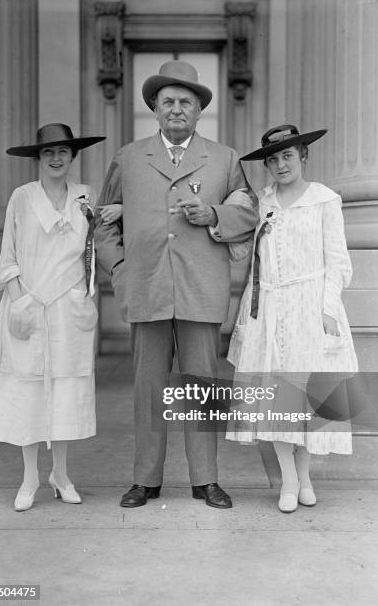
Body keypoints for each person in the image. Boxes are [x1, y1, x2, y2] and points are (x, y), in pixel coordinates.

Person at [95, 60, 257, 509]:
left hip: (200, 288)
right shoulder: (128, 158)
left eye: (186, 101)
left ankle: (205, 479)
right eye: (168, 101)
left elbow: (249, 213)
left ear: (199, 110)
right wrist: (121, 269)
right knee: (148, 387)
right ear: (154, 107)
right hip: (145, 286)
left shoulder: (225, 159)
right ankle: (145, 479)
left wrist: (215, 216)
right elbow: (105, 224)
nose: (177, 109)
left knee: (200, 389)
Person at [0, 123, 105, 511]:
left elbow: (95, 246)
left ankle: (60, 475)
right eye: (48, 153)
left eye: (63, 151)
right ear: (38, 158)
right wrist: (19, 301)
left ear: (73, 156)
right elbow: (8, 255)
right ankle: (29, 478)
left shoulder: (85, 196)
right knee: (27, 392)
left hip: (68, 307)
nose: (56, 158)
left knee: (64, 391)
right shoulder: (22, 197)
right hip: (27, 303)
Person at [226, 124, 358, 512]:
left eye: (287, 155)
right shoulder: (262, 203)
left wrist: (329, 309)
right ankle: (287, 479)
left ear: (303, 156)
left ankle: (305, 476)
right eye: (273, 158)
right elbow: (244, 254)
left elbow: (338, 263)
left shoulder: (324, 200)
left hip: (311, 307)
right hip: (268, 308)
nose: (280, 164)